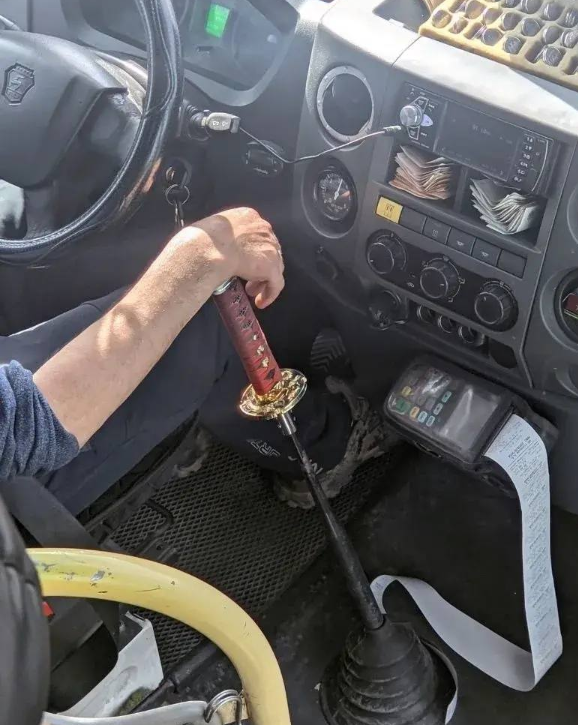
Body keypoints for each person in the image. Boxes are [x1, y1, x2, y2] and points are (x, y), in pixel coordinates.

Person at [0, 207, 386, 514]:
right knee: (202, 312)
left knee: (35, 237)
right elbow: (23, 426)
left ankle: (177, 425)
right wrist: (207, 251)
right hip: (19, 483)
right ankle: (324, 448)